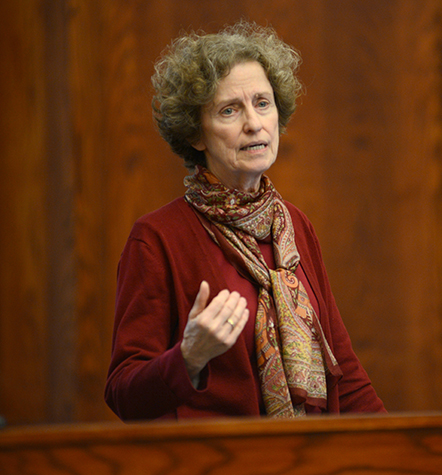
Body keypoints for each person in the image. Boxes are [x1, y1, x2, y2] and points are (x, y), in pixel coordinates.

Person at [104, 21, 386, 420]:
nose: (253, 123)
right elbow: (123, 394)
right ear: (196, 134)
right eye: (229, 110)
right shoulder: (157, 238)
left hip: (315, 456)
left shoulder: (293, 225)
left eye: (262, 103)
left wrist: (403, 451)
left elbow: (346, 372)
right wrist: (190, 357)